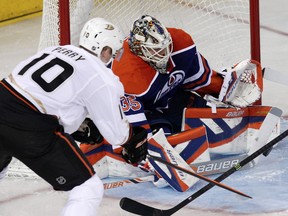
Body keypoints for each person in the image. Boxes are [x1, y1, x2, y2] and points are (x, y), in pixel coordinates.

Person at [0, 17, 148, 216]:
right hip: (29, 126)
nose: (114, 57)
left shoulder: (54, 50)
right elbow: (116, 135)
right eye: (113, 51)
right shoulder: (100, 75)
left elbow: (41, 96)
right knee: (88, 188)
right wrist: (132, 138)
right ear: (104, 50)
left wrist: (80, 126)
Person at [111, 15, 262, 135]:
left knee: (213, 118)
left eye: (165, 47)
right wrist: (140, 141)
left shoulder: (181, 44)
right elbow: (129, 120)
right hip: (147, 113)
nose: (164, 53)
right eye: (155, 50)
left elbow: (199, 77)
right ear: (140, 51)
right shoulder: (125, 73)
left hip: (173, 99)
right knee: (164, 134)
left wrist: (223, 88)